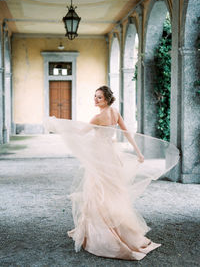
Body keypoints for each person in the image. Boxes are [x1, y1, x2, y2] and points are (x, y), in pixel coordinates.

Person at [47, 85, 179, 261]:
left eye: (99, 97)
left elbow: (80, 133)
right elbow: (128, 134)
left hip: (100, 158)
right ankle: (117, 228)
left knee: (97, 191)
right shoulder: (115, 112)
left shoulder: (98, 117)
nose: (95, 100)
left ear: (107, 99)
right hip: (111, 156)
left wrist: (60, 126)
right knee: (113, 191)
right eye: (95, 96)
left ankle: (102, 234)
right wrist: (138, 152)